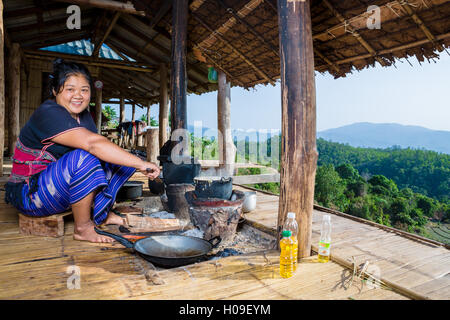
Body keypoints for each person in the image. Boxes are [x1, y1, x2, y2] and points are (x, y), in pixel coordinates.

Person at [4, 58, 160, 243]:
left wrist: (134, 162)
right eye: (70, 89)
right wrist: (141, 163)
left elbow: (101, 151)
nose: (78, 95)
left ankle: (102, 213)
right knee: (84, 157)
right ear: (55, 91)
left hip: (57, 189)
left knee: (116, 160)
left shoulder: (84, 116)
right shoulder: (47, 113)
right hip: (30, 194)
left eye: (84, 90)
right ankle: (83, 228)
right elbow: (93, 144)